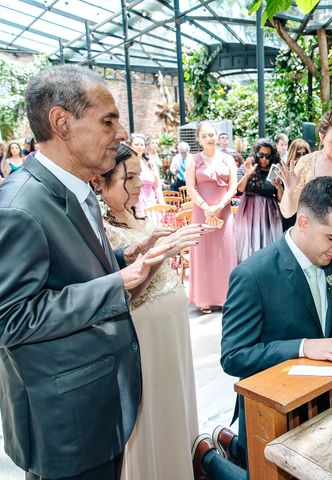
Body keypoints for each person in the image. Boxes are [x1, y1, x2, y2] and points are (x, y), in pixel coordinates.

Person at [0, 64, 170, 480]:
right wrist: (117, 284)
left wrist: (122, 258)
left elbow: (64, 271)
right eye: (108, 120)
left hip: (97, 402)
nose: (122, 133)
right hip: (64, 422)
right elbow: (10, 318)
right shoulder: (18, 207)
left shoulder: (80, 187)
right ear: (62, 123)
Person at [191, 176, 332, 479]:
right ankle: (207, 456)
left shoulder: (330, 262)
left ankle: (230, 444)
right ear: (302, 222)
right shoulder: (252, 275)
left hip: (317, 397)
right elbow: (233, 357)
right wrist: (303, 346)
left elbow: (330, 319)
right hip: (270, 405)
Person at [94, 144, 205, 480]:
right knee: (151, 414)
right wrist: (161, 252)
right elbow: (127, 294)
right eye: (128, 178)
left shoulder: (134, 215)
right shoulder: (101, 229)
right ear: (100, 183)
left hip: (171, 335)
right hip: (145, 339)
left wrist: (156, 240)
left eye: (139, 175)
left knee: (174, 406)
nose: (139, 183)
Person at [186, 120, 238, 314]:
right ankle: (204, 298)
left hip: (223, 210)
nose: (209, 138)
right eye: (204, 135)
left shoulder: (228, 159)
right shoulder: (193, 160)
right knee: (203, 253)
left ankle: (227, 297)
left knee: (225, 251)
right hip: (202, 211)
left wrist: (219, 205)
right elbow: (190, 187)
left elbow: (233, 186)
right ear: (199, 139)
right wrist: (206, 207)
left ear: (217, 136)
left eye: (212, 134)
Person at [235, 138, 283, 263]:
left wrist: (278, 186)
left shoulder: (275, 170)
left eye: (267, 156)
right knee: (247, 249)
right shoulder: (247, 167)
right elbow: (239, 190)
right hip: (249, 212)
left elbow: (281, 199)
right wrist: (247, 174)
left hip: (269, 214)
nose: (264, 159)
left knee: (268, 249)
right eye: (261, 155)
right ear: (255, 154)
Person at [131, 133, 164, 218]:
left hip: (151, 204)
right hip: (134, 205)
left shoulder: (150, 163)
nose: (139, 147)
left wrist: (161, 203)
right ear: (130, 146)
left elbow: (157, 186)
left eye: (142, 145)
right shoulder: (126, 163)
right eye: (136, 144)